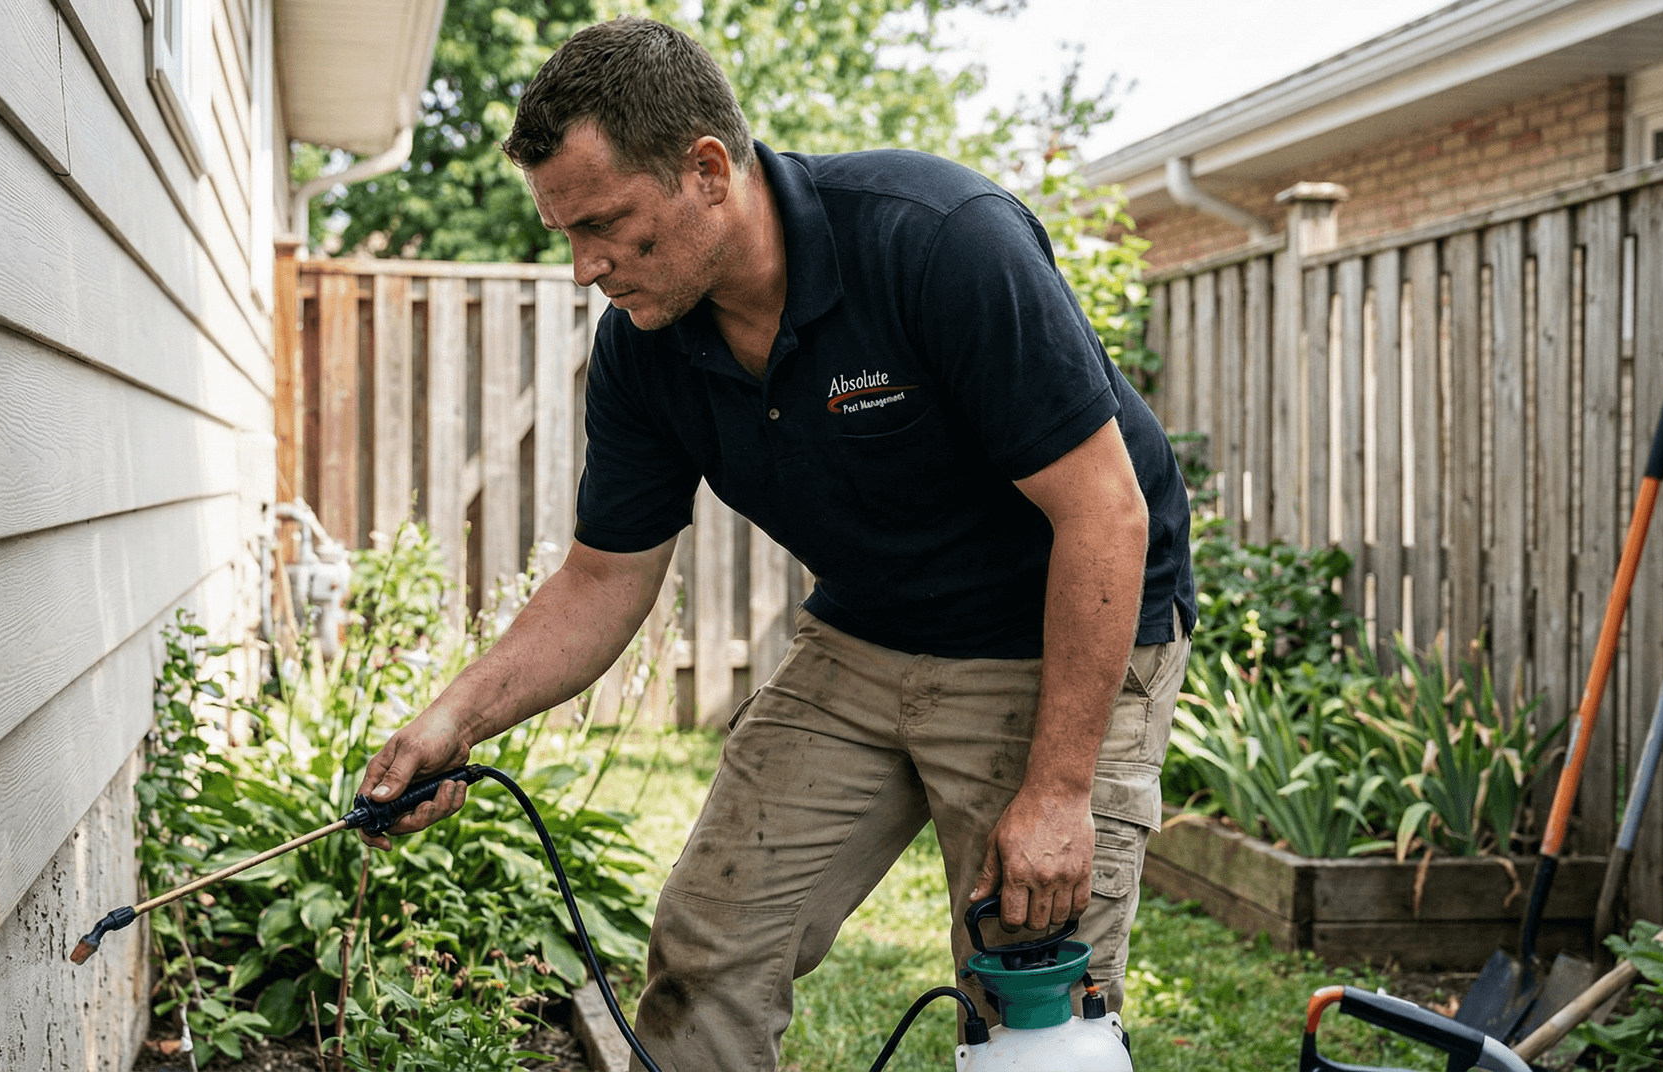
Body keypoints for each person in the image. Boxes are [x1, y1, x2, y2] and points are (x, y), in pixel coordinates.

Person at [356, 16, 1194, 1071]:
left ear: (707, 170)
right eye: (565, 232)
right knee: (710, 944)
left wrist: (1062, 791)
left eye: (606, 224)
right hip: (869, 630)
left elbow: (1105, 512)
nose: (583, 267)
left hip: (1055, 622)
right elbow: (604, 577)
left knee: (1026, 983)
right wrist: (451, 721)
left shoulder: (936, 239)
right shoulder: (646, 348)